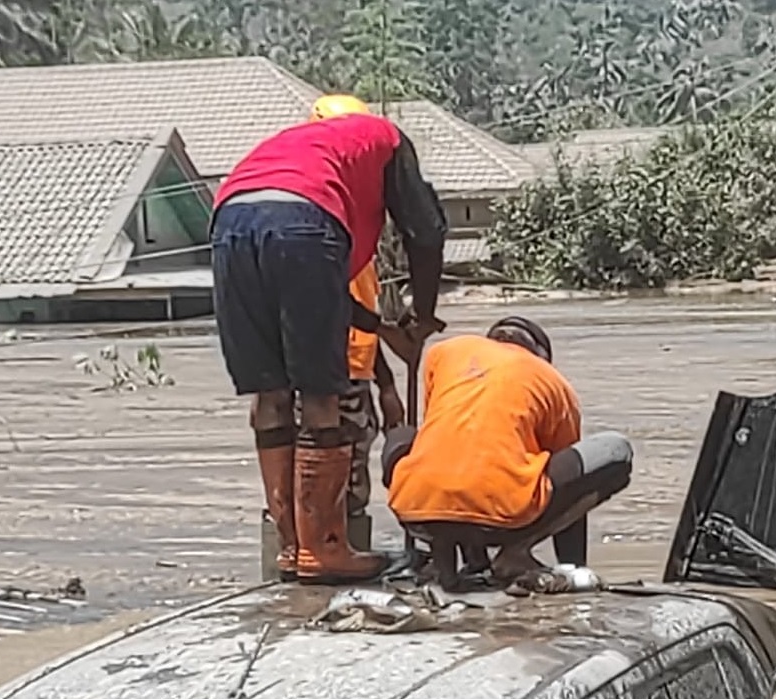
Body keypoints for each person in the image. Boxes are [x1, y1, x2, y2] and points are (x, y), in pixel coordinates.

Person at [211, 92, 448, 585]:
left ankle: (293, 548)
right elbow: (426, 234)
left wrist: (388, 332)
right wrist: (422, 317)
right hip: (303, 222)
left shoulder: (306, 148)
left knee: (270, 393)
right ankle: (326, 549)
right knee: (321, 394)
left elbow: (341, 302)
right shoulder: (387, 141)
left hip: (229, 220)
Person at [381, 317, 634, 583]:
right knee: (616, 449)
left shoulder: (444, 352)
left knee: (407, 437)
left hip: (415, 515)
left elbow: (449, 442)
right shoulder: (555, 383)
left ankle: (444, 562)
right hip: (502, 523)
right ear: (541, 355)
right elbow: (572, 479)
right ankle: (515, 553)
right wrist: (572, 567)